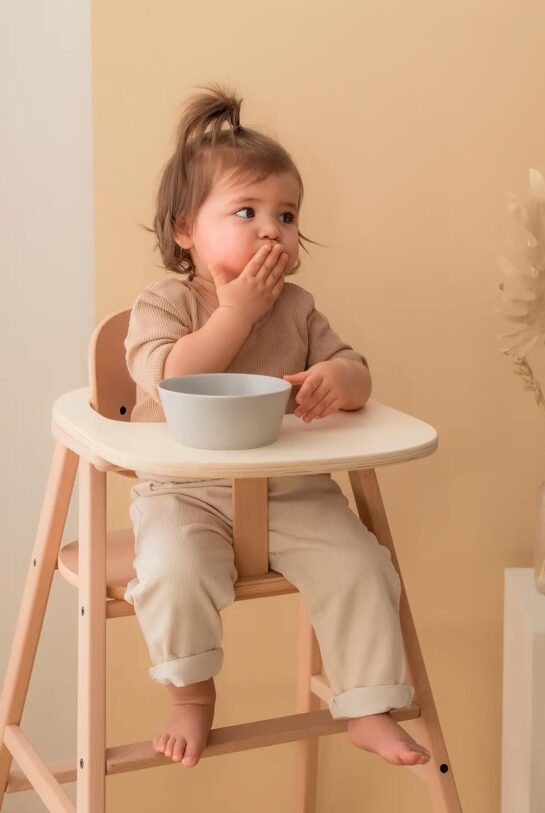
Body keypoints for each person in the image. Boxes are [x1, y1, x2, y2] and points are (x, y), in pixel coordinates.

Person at [123, 83, 431, 769]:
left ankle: (367, 702)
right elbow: (171, 377)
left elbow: (356, 367)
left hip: (291, 490)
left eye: (286, 215)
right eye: (247, 210)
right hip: (185, 492)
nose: (273, 229)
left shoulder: (297, 309)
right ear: (184, 230)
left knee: (362, 565)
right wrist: (234, 312)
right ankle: (192, 694)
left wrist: (340, 382)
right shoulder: (164, 303)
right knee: (172, 570)